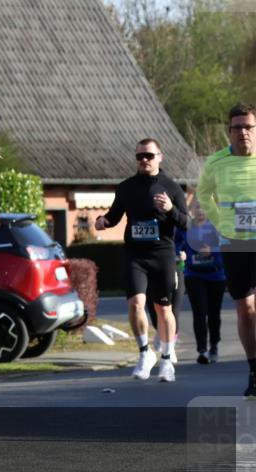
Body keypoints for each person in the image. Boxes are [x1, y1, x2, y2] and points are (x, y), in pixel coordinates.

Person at [95, 138, 188, 383]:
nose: (144, 160)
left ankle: (167, 358)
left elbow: (186, 223)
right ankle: (145, 353)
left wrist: (170, 209)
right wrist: (102, 221)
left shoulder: (173, 187)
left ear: (160, 156)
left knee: (163, 308)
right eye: (139, 157)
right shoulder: (126, 187)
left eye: (148, 155)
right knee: (136, 304)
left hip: (163, 255)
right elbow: (114, 216)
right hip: (136, 255)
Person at [195, 103, 256, 398]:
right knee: (245, 309)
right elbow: (203, 193)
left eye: (248, 127)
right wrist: (220, 223)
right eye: (238, 127)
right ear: (229, 131)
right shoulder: (217, 162)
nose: (243, 132)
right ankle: (254, 371)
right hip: (234, 243)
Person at [177, 197, 226, 364]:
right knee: (199, 312)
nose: (200, 211)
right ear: (192, 209)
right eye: (197, 207)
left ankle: (214, 345)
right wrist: (179, 254)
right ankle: (202, 350)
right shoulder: (186, 227)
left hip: (216, 275)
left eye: (204, 207)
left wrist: (213, 250)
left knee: (214, 314)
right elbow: (176, 244)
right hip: (194, 275)